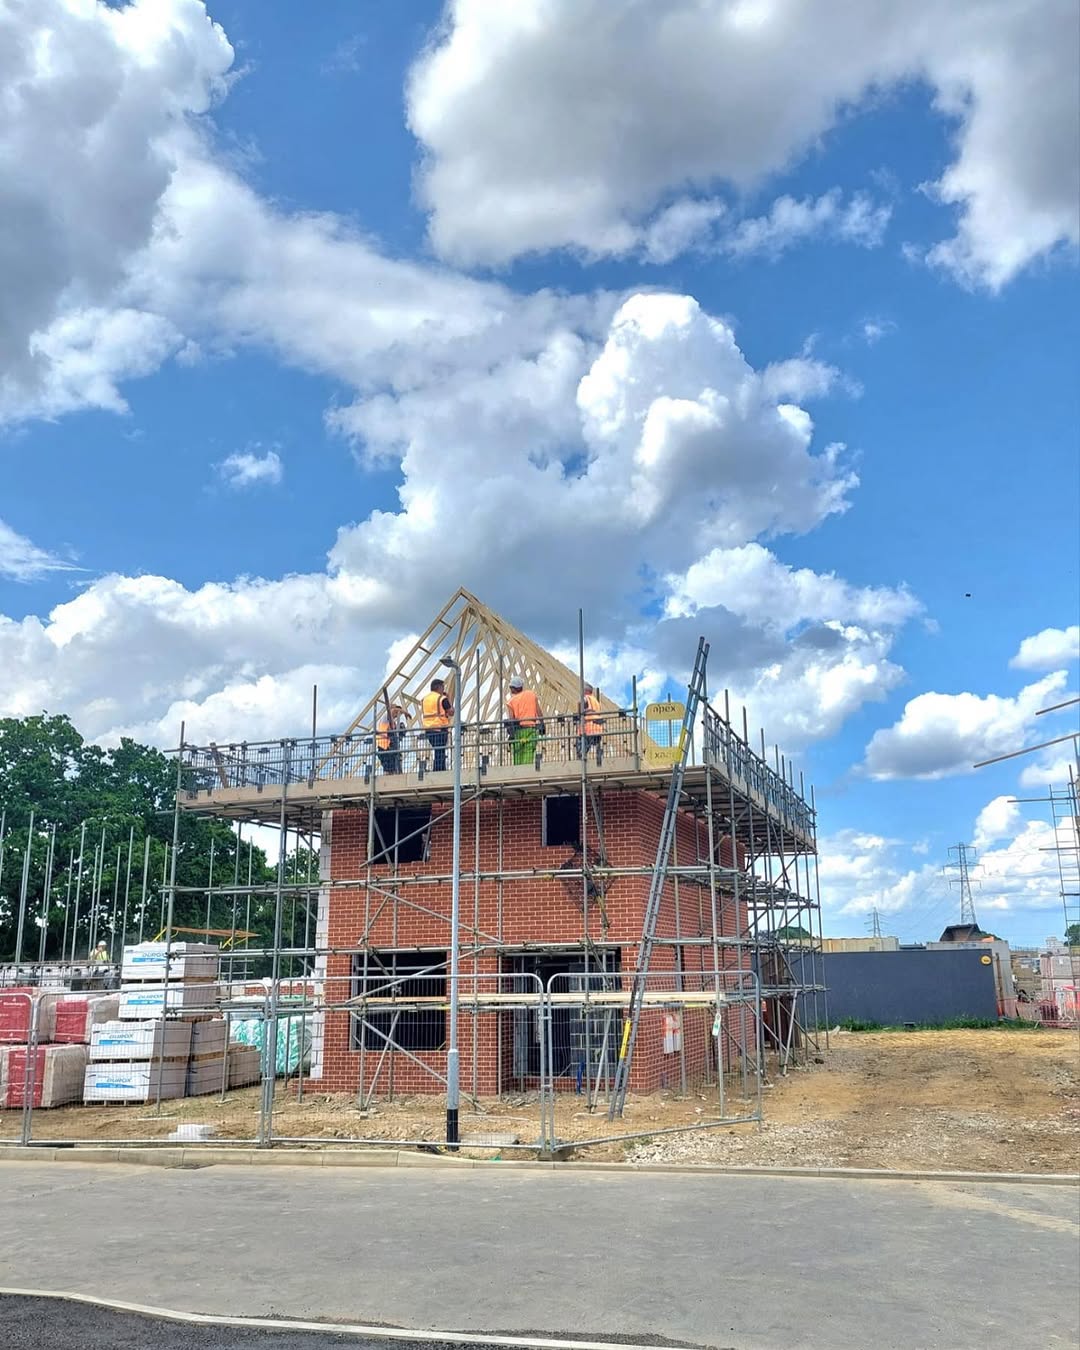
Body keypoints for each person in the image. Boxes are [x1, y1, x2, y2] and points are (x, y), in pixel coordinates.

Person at [506, 677, 544, 765]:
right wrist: (542, 724)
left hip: (519, 731)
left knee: (518, 754)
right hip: (531, 730)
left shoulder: (511, 702)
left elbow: (512, 720)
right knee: (528, 752)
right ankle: (527, 771)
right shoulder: (531, 695)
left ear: (513, 688)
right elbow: (539, 712)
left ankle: (518, 773)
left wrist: (511, 734)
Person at [422, 678, 453, 772]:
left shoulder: (425, 699)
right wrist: (449, 699)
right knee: (440, 751)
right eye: (443, 687)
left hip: (428, 729)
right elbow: (451, 712)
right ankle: (439, 770)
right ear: (438, 687)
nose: (443, 689)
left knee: (437, 750)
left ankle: (438, 769)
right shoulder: (442, 699)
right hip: (440, 728)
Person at [377, 703, 406, 774]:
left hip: (388, 746)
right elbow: (392, 711)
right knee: (388, 767)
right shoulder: (386, 718)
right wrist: (405, 712)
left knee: (392, 767)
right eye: (396, 713)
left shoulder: (392, 722)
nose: (397, 715)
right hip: (384, 747)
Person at [580, 683, 603, 761]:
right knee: (592, 746)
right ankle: (599, 756)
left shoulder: (586, 698)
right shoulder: (596, 701)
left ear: (586, 691)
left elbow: (580, 708)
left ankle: (582, 760)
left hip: (588, 729)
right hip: (597, 729)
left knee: (581, 750)